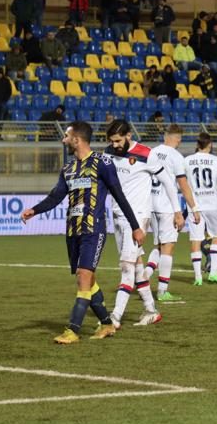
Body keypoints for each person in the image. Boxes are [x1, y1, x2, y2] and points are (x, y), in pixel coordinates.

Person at [21, 121, 143, 344]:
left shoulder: (102, 162)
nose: (63, 140)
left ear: (76, 140)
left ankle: (73, 329)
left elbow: (119, 195)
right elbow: (56, 196)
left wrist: (135, 226)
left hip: (93, 230)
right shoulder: (68, 169)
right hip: (73, 231)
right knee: (89, 279)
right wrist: (34, 210)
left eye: (66, 136)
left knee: (83, 277)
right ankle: (107, 324)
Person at [104, 119, 182, 328]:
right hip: (117, 216)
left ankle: (115, 317)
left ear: (129, 136)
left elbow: (168, 182)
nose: (115, 145)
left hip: (138, 218)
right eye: (112, 141)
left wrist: (177, 211)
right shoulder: (108, 152)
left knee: (126, 267)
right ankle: (151, 310)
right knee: (137, 266)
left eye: (118, 140)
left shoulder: (147, 154)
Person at [144, 124, 201, 302]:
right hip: (167, 206)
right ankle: (162, 291)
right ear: (178, 139)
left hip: (150, 205)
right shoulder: (176, 157)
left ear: (165, 136)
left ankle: (143, 277)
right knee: (168, 246)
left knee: (159, 246)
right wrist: (194, 208)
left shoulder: (151, 152)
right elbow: (183, 185)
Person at [186, 132, 217, 286]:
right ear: (210, 145)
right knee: (216, 237)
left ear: (197, 145)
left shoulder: (186, 161)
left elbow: (181, 183)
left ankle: (198, 277)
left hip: (195, 206)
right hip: (212, 204)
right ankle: (213, 273)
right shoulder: (216, 161)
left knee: (195, 239)